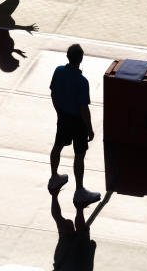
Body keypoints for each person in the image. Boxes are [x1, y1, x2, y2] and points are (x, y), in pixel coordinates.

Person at [48, 44, 101, 208]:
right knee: (79, 155)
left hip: (63, 116)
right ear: (81, 59)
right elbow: (84, 108)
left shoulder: (58, 71)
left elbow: (53, 94)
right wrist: (90, 128)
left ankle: (54, 177)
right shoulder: (82, 81)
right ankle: (79, 191)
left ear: (68, 56)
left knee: (57, 146)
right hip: (77, 122)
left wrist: (59, 112)